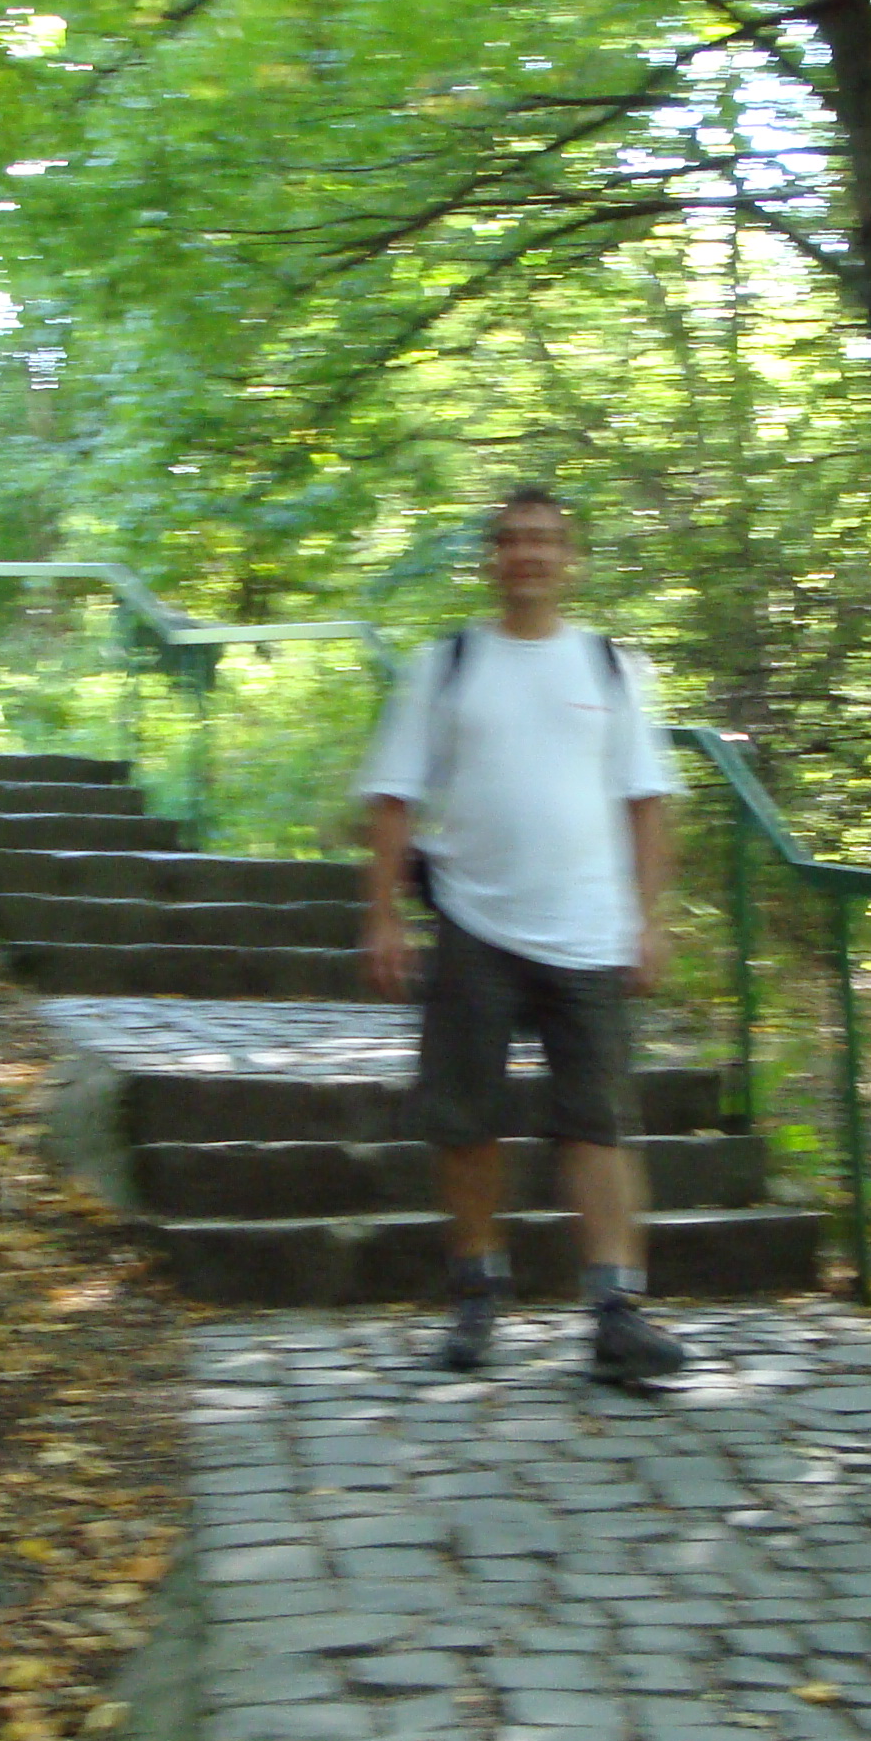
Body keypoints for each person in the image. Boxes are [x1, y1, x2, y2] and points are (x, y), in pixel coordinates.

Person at [357, 486, 687, 1385]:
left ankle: (616, 1312)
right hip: (473, 920)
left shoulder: (613, 667)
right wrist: (383, 914)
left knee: (599, 1125)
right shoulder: (447, 664)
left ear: (569, 557)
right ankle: (477, 1295)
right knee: (465, 1119)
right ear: (492, 559)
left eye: (544, 540)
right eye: (511, 540)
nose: (527, 555)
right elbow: (393, 796)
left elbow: (648, 804)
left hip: (591, 930)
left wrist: (649, 919)